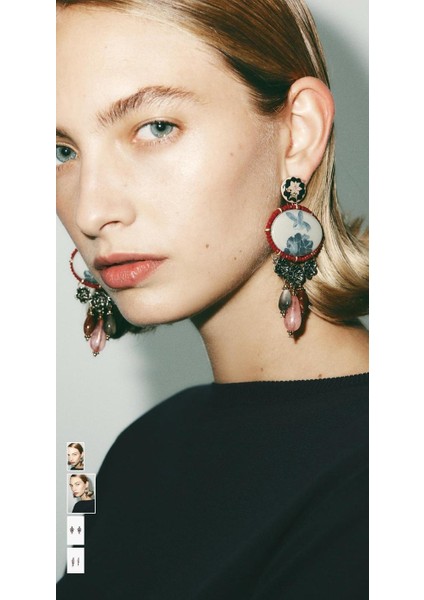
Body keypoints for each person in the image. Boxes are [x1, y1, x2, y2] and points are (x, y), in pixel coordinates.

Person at [56, 0, 368, 597]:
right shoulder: (146, 450)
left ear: (298, 133)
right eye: (63, 151)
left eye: (155, 128)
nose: (92, 210)